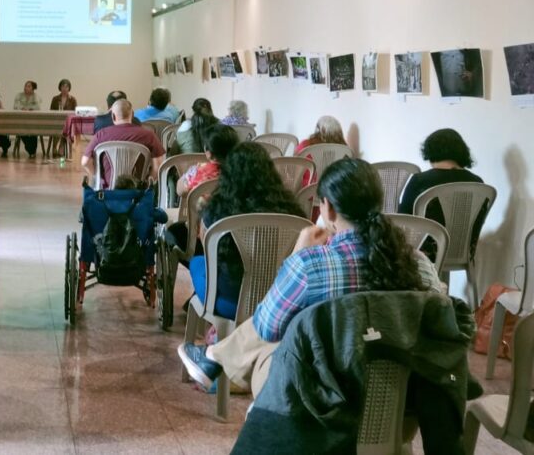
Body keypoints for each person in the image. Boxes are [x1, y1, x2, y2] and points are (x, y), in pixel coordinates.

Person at [178, 158, 442, 399]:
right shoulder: (418, 263)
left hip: (318, 405)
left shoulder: (311, 266)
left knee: (273, 343)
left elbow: (267, 326)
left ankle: (215, 357)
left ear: (327, 208)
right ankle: (215, 357)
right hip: (395, 404)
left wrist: (297, 255)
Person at [186, 142, 307, 322]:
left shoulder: (218, 209)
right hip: (279, 298)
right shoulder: (291, 210)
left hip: (231, 300)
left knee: (197, 263)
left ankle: (214, 330)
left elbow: (207, 248)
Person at [399, 128, 486, 257]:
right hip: (464, 251)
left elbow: (403, 217)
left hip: (426, 253)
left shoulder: (420, 181)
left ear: (430, 151)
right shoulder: (478, 183)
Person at [82, 99, 165, 188]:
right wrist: (147, 182)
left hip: (107, 190)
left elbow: (85, 162)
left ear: (113, 116)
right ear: (132, 115)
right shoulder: (149, 135)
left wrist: (99, 178)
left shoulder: (101, 135)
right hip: (138, 190)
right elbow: (159, 165)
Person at [176, 124, 240, 198]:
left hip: (204, 209)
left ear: (208, 153)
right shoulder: (242, 169)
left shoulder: (200, 171)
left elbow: (181, 191)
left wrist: (184, 178)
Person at [13, 80, 41, 158]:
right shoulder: (19, 95)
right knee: (21, 131)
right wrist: (23, 108)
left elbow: (38, 107)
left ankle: (32, 151)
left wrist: (27, 109)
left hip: (32, 122)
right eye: (25, 86)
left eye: (28, 86)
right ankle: (30, 150)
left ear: (33, 88)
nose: (26, 88)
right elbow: (16, 106)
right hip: (20, 121)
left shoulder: (36, 96)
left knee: (34, 133)